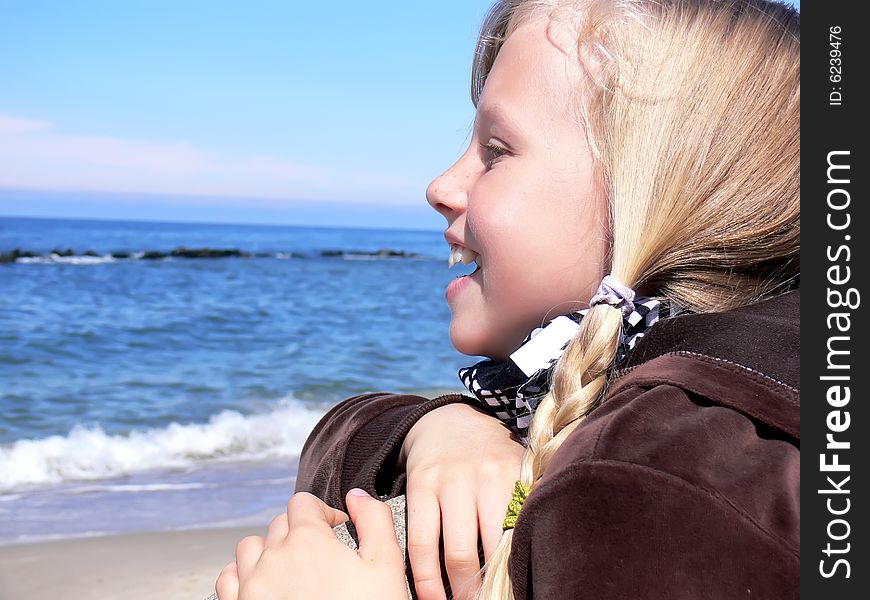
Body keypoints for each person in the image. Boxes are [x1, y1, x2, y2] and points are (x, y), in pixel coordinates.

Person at [214, 0, 800, 598]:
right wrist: (440, 427)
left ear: (653, 190)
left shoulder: (648, 478)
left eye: (496, 152)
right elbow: (341, 434)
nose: (439, 187)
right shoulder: (730, 383)